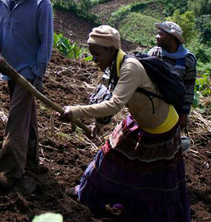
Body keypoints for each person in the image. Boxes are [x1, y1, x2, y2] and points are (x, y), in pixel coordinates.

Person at [59, 25, 190, 222]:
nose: (94, 60)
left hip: (161, 128)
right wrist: (99, 125)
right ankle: (87, 194)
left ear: (111, 50)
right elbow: (109, 96)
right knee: (108, 156)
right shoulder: (114, 66)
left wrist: (76, 111)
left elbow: (114, 104)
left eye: (96, 54)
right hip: (138, 121)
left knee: (154, 180)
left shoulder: (130, 68)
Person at [0, 0, 53, 189]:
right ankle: (32, 157)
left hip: (28, 71)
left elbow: (46, 42)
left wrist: (39, 74)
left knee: (16, 118)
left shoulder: (41, 3)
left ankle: (9, 172)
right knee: (26, 115)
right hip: (8, 67)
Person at [148, 21, 197, 130]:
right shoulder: (154, 54)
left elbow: (189, 86)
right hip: (152, 106)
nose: (156, 36)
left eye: (160, 34)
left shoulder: (188, 59)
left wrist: (184, 113)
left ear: (171, 37)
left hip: (174, 109)